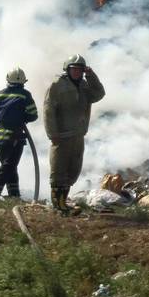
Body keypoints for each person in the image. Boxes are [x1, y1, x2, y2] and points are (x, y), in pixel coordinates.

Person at [43, 54, 105, 214]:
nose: (77, 72)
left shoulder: (85, 86)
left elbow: (99, 94)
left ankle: (63, 202)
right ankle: (58, 205)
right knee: (59, 170)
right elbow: (48, 110)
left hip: (78, 135)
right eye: (74, 69)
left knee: (73, 170)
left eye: (80, 70)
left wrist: (91, 75)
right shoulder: (57, 86)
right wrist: (52, 133)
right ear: (67, 69)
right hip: (61, 136)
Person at [0, 67, 38, 201]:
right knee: (9, 165)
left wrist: (1, 120)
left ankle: (14, 194)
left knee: (9, 165)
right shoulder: (25, 94)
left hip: (0, 136)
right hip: (15, 136)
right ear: (23, 81)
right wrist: (22, 119)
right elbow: (33, 115)